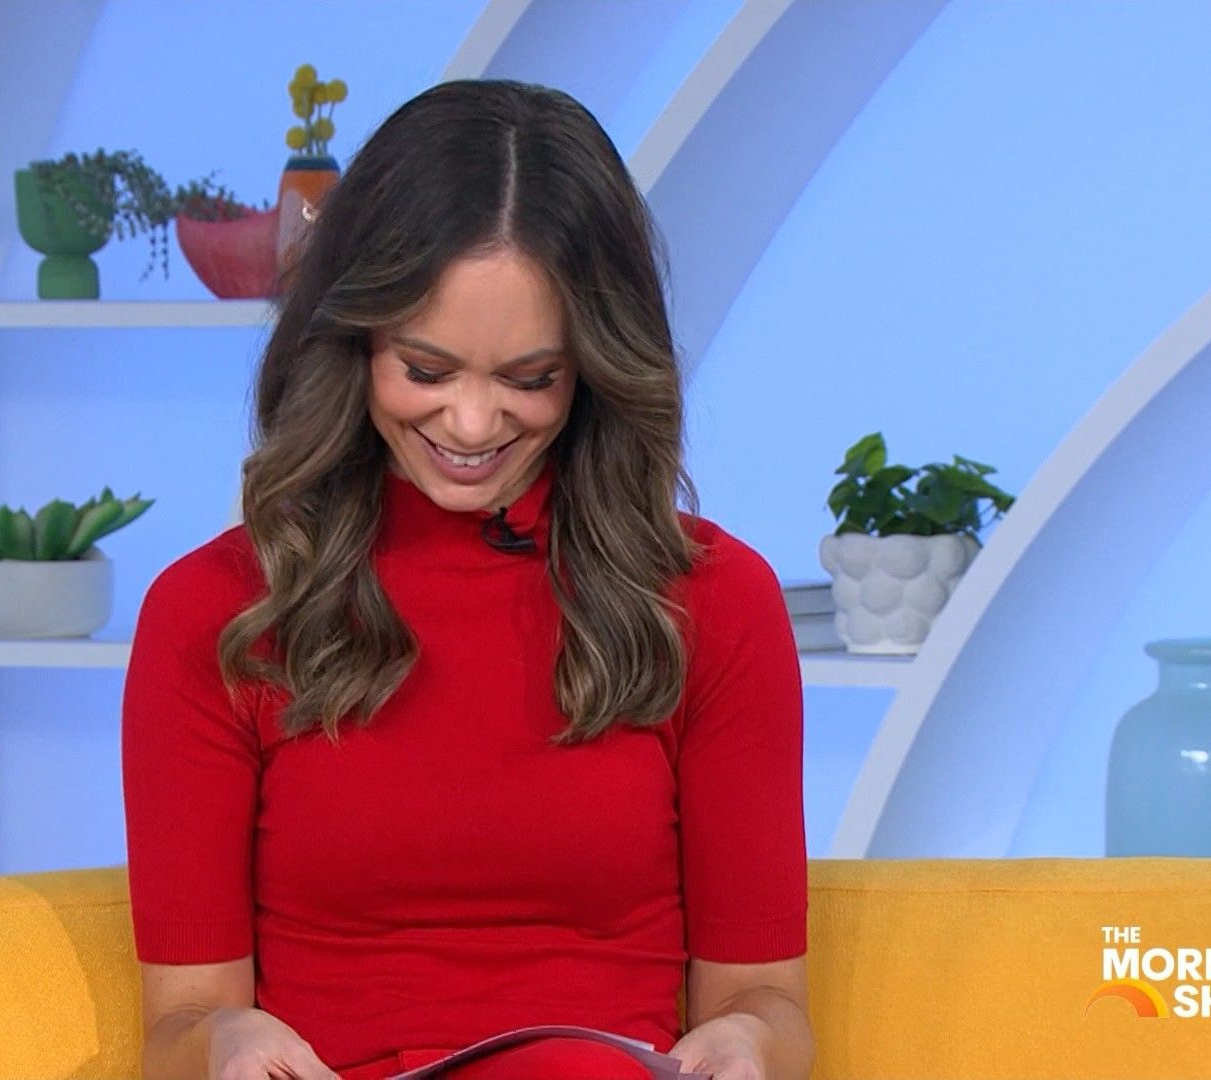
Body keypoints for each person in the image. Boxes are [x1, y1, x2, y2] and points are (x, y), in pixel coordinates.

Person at [122, 79, 812, 1080]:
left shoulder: (716, 601)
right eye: (427, 370)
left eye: (530, 378)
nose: (474, 425)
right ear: (353, 342)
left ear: (596, 367)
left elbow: (767, 1002)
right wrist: (221, 1043)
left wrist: (751, 1043)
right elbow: (178, 1029)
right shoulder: (214, 612)